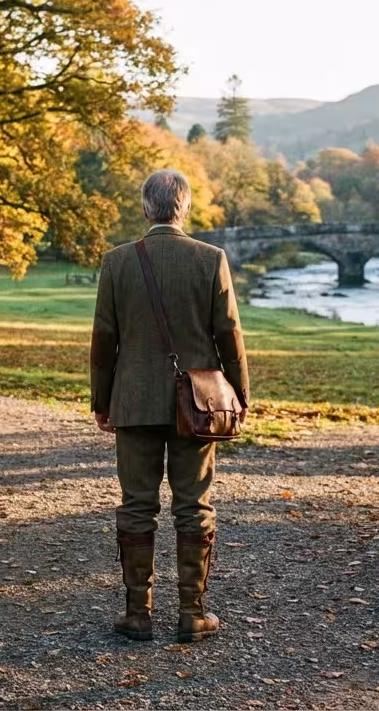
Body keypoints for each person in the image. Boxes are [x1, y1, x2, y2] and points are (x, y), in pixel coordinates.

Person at [89, 169, 250, 643]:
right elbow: (229, 336)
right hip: (197, 406)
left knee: (137, 506)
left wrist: (102, 400)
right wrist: (239, 396)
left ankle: (138, 613)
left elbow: (104, 339)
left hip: (133, 402)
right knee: (193, 505)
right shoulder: (211, 259)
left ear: (146, 208)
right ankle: (192, 612)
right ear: (185, 208)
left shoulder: (116, 262)